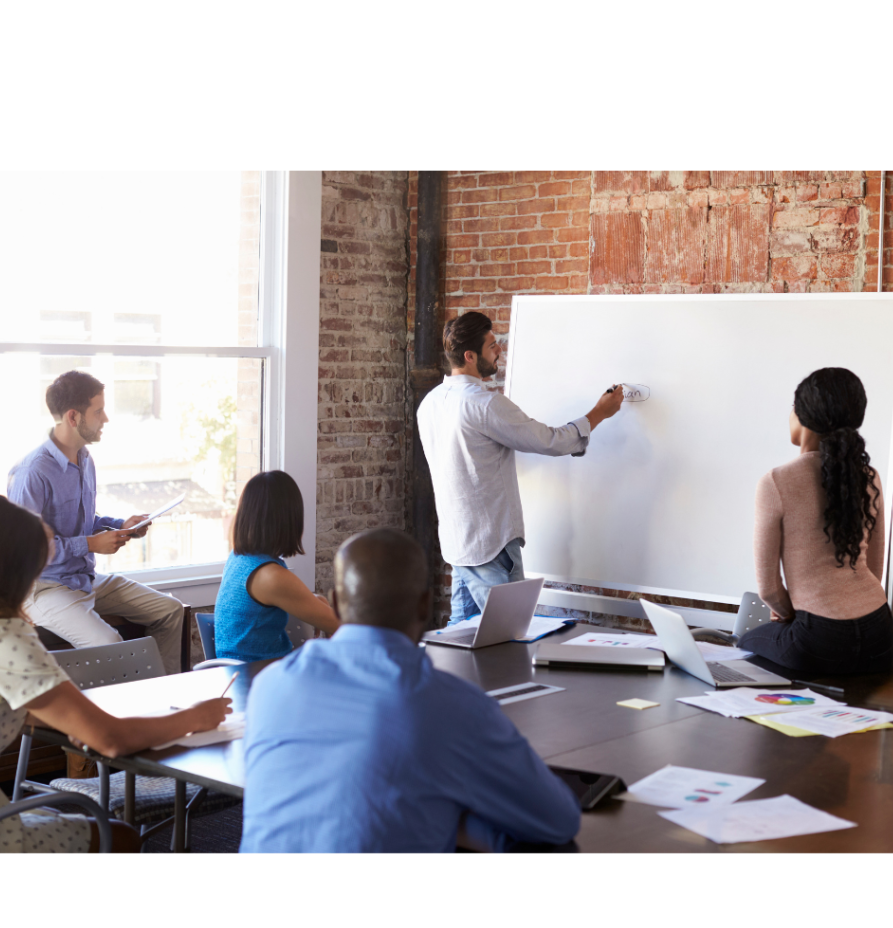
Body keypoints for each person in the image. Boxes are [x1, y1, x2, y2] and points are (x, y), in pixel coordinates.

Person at [240, 528, 581, 853]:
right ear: (424, 606)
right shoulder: (450, 706)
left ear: (336, 604)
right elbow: (559, 820)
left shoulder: (270, 685)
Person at [0, 495, 231, 853]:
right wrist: (195, 717)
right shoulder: (2, 634)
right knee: (120, 837)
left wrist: (73, 722)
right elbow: (111, 741)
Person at [416, 311, 625, 624]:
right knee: (509, 634)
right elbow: (550, 441)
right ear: (470, 356)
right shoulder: (484, 404)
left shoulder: (430, 403)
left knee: (461, 638)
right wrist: (599, 413)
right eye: (491, 345)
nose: (499, 348)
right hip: (491, 545)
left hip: (458, 543)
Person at [8, 370, 185, 675]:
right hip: (45, 588)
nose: (106, 419)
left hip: (85, 578)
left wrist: (121, 525)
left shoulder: (84, 458)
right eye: (99, 411)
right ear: (74, 417)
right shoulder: (31, 473)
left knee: (171, 611)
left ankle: (164, 694)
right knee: (111, 644)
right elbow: (26, 548)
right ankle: (124, 718)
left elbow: (83, 520)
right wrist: (91, 544)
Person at [738, 367, 893, 676]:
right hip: (881, 639)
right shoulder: (870, 477)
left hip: (819, 642)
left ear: (802, 414)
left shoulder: (777, 481)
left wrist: (791, 616)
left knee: (748, 640)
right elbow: (875, 569)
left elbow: (770, 590)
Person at [214, 471, 339, 662]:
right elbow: (340, 626)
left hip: (233, 675)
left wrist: (314, 600)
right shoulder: (271, 576)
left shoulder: (239, 559)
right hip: (257, 677)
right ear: (289, 518)